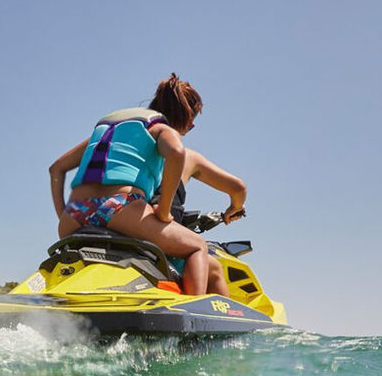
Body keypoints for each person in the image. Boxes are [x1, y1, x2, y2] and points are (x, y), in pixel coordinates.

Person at [49, 73, 210, 294]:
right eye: (191, 124)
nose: (189, 127)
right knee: (197, 246)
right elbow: (176, 152)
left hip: (74, 217)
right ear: (182, 116)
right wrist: (164, 211)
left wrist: (64, 215)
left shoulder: (109, 131)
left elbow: (56, 168)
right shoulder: (160, 127)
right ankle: (194, 312)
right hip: (119, 207)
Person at [160, 150, 247, 296]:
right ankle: (200, 307)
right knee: (214, 268)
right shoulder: (185, 156)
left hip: (120, 221)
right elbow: (238, 188)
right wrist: (235, 208)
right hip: (160, 236)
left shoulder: (123, 145)